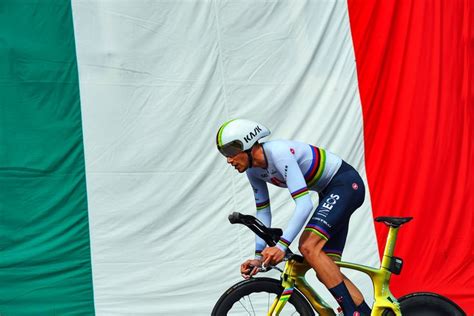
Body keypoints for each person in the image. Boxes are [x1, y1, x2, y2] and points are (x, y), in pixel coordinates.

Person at [216, 118, 372, 315]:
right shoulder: (253, 171)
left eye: (230, 152)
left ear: (247, 144)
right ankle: (365, 313)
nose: (228, 160)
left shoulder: (279, 153)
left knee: (308, 246)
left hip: (345, 185)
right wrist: (258, 257)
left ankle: (352, 312)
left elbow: (304, 204)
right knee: (325, 270)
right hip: (329, 191)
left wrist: (282, 246)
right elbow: (263, 211)